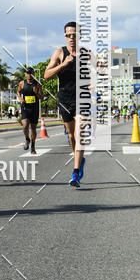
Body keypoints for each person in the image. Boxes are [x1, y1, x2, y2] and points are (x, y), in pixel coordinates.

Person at [44, 21, 86, 187]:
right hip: (65, 99)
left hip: (82, 99)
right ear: (65, 36)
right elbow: (47, 75)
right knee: (71, 135)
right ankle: (80, 160)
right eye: (69, 35)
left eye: (75, 35)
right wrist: (64, 64)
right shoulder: (60, 52)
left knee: (79, 135)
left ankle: (75, 173)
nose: (72, 38)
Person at [17, 67, 43, 155]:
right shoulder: (22, 83)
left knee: (33, 128)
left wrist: (36, 93)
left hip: (34, 108)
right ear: (25, 74)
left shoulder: (38, 84)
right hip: (25, 107)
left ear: (33, 74)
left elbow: (42, 97)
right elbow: (18, 92)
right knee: (25, 125)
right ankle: (27, 138)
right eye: (27, 73)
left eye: (31, 73)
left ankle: (33, 146)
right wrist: (20, 98)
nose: (29, 75)